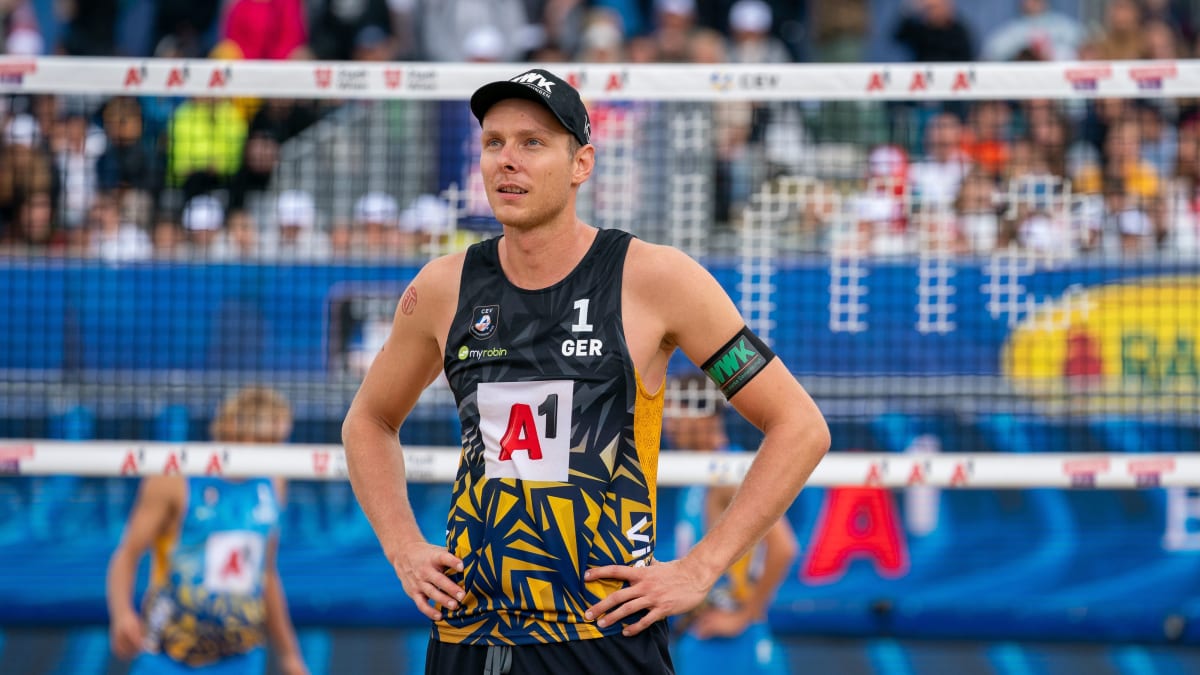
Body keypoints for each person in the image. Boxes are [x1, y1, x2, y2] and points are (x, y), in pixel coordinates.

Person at [342, 66, 829, 674]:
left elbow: (801, 425)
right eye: (494, 142)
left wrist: (704, 567)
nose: (507, 160)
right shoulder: (443, 287)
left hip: (603, 636)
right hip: (470, 634)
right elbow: (369, 419)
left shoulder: (655, 278)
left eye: (533, 142)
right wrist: (403, 547)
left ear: (582, 164)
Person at [106, 386, 308, 675]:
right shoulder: (174, 478)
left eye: (279, 440)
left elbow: (266, 573)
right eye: (265, 440)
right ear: (231, 431)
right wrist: (122, 612)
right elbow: (127, 554)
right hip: (169, 654)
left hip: (241, 655)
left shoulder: (274, 483)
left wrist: (290, 655)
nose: (274, 449)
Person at [664, 375, 797, 675]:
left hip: (728, 642)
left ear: (705, 414)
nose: (668, 425)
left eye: (674, 414)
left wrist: (746, 616)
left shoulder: (730, 475)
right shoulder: (698, 475)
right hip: (703, 636)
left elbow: (784, 547)